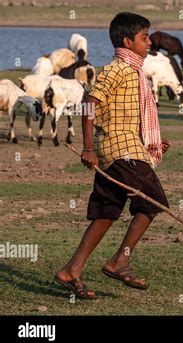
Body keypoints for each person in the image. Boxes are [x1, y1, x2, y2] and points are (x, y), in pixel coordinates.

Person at [55, 12, 170, 299]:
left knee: (107, 211)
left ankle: (72, 270)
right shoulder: (116, 70)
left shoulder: (135, 73)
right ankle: (120, 261)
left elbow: (125, 115)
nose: (150, 41)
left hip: (127, 148)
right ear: (127, 41)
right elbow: (89, 106)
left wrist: (151, 142)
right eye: (145, 37)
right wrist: (88, 147)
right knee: (153, 204)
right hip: (121, 151)